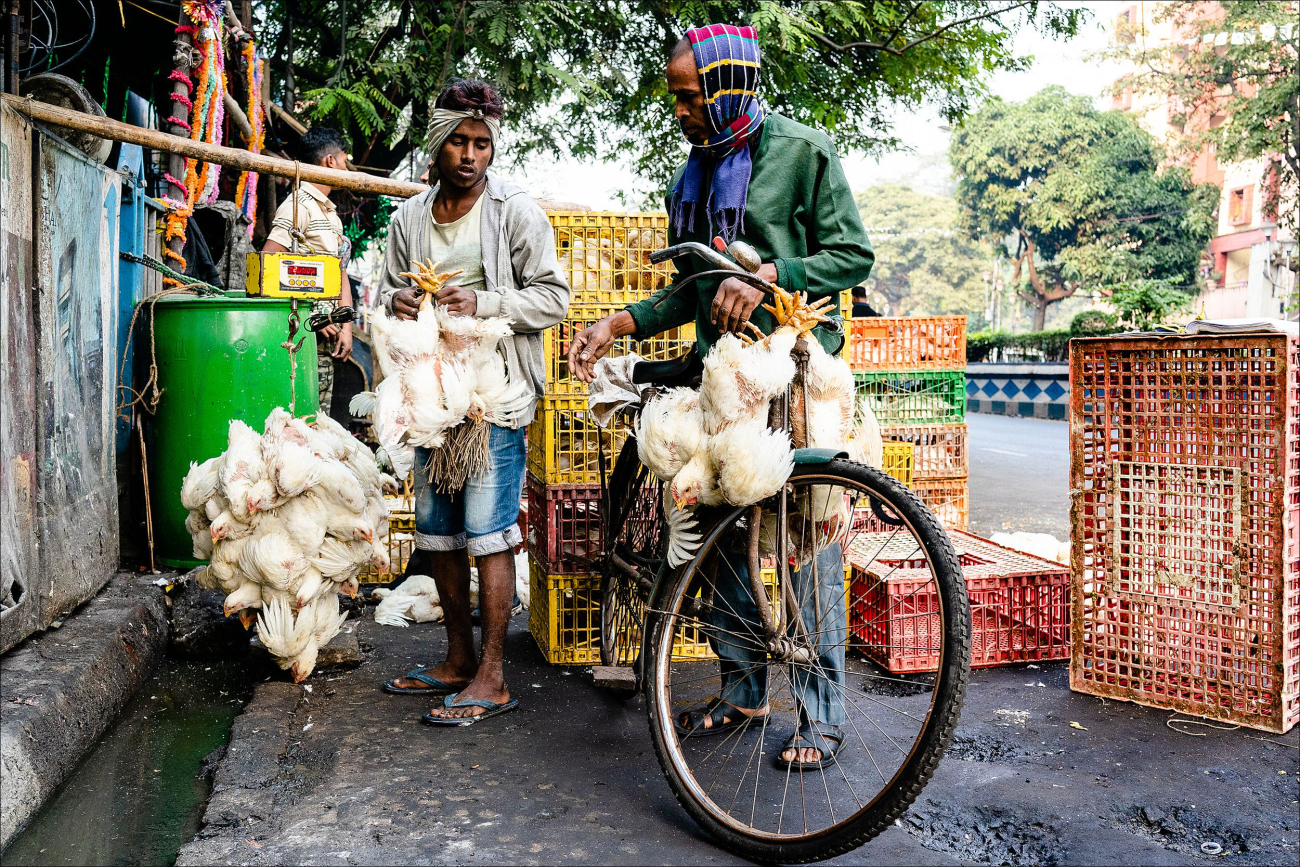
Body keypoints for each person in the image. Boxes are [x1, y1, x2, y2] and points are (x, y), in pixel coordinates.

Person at [568, 25, 874, 768]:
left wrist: (770, 276)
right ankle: (743, 689)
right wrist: (620, 323)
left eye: (689, 96)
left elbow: (852, 255)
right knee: (718, 527)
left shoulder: (804, 153)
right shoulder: (695, 174)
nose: (680, 111)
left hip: (793, 374)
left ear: (729, 87)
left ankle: (822, 715)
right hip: (723, 379)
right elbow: (694, 287)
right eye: (677, 97)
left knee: (804, 538)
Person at [377, 79, 569, 725]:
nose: (469, 154)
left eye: (481, 143)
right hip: (433, 397)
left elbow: (553, 297)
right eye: (458, 141)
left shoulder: (515, 211)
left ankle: (493, 674)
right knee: (437, 529)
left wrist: (484, 302)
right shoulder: (409, 219)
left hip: (494, 395)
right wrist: (398, 301)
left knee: (489, 533)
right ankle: (458, 657)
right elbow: (386, 292)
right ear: (438, 144)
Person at [263, 126, 355, 414]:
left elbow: (339, 274)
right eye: (344, 161)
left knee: (319, 417)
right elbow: (268, 264)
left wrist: (347, 327)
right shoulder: (297, 206)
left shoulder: (330, 215)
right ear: (330, 161)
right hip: (301, 338)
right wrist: (309, 316)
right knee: (299, 416)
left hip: (328, 340)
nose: (345, 169)